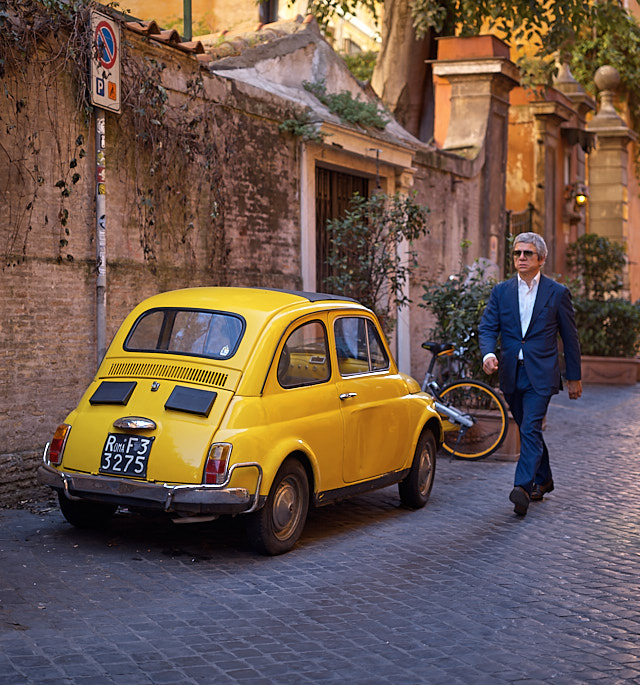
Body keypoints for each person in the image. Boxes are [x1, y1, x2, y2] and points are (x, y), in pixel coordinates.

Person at [478, 232, 582, 516]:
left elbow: (570, 338)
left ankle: (522, 488)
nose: (521, 258)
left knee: (530, 429)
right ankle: (544, 479)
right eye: (516, 253)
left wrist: (574, 376)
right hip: (511, 373)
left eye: (527, 254)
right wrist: (488, 354)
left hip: (542, 374)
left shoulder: (557, 293)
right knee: (529, 429)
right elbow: (488, 328)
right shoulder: (501, 292)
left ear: (541, 259)